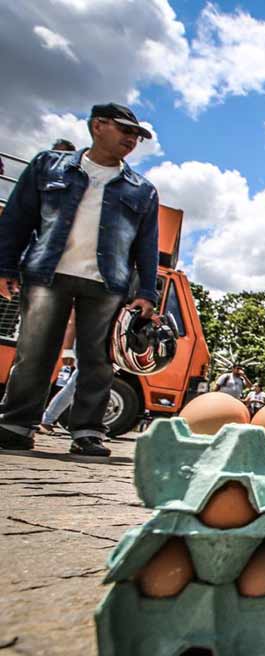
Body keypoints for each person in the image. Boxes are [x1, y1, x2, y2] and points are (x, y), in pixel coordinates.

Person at [0, 102, 159, 457]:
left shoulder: (141, 189)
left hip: (107, 283)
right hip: (47, 272)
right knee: (34, 351)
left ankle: (88, 431)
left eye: (137, 135)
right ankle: (16, 425)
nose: (132, 139)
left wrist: (147, 292)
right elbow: (16, 219)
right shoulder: (47, 166)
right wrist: (5, 266)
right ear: (98, 125)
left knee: (98, 360)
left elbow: (146, 247)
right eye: (125, 130)